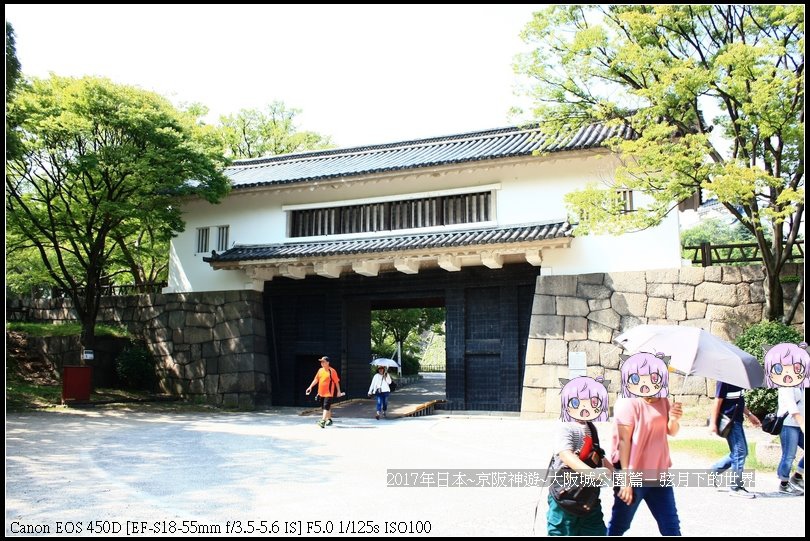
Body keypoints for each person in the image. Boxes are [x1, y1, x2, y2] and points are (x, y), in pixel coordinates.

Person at [608, 352, 682, 536]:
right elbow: (623, 442)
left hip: (659, 475)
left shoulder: (664, 400)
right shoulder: (628, 402)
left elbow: (671, 431)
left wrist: (674, 418)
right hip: (633, 475)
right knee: (619, 526)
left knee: (671, 527)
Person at [547, 376, 611, 536]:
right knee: (561, 532)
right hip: (565, 497)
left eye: (593, 403)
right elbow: (566, 455)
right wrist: (592, 472)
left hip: (589, 498)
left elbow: (598, 455)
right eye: (577, 403)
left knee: (597, 532)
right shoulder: (565, 427)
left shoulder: (591, 427)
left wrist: (619, 473)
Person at [764, 342, 808, 494]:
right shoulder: (786, 382)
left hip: (800, 423)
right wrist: (802, 423)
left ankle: (797, 476)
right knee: (789, 455)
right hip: (789, 423)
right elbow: (791, 406)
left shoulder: (803, 382)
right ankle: (783, 483)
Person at [709, 380, 761, 498]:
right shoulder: (723, 381)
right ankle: (735, 487)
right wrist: (713, 423)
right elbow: (717, 401)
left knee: (741, 452)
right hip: (729, 421)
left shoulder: (737, 380)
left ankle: (714, 470)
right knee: (740, 452)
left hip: (737, 420)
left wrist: (750, 415)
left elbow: (739, 400)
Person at [305, 356, 345, 428]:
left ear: (328, 362)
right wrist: (310, 387)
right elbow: (316, 379)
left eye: (323, 361)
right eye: (321, 361)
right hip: (321, 392)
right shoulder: (320, 370)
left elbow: (336, 382)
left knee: (326, 406)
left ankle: (323, 421)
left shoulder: (332, 371)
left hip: (329, 393)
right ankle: (329, 419)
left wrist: (339, 391)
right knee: (325, 407)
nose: (322, 363)